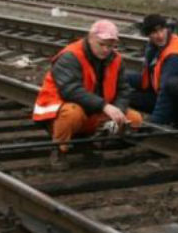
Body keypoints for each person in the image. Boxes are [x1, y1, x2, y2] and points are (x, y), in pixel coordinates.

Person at [33, 19, 142, 170]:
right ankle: (59, 150)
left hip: (93, 108)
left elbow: (123, 89)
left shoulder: (116, 60)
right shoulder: (70, 56)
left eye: (110, 46)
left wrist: (118, 111)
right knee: (72, 113)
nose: (106, 50)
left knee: (134, 119)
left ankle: (88, 140)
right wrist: (104, 106)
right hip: (58, 111)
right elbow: (70, 90)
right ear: (90, 39)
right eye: (101, 44)